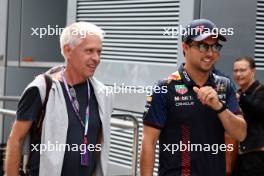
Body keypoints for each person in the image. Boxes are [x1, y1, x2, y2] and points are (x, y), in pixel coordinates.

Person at [5, 22, 114, 176]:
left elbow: (98, 143)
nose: (96, 58)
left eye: (99, 52)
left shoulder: (102, 94)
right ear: (68, 50)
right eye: (89, 51)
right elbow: (16, 139)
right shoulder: (42, 89)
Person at [140, 19, 247, 176]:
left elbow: (241, 134)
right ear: (185, 47)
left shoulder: (224, 85)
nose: (210, 53)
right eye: (203, 46)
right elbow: (148, 143)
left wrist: (219, 107)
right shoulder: (165, 87)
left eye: (215, 46)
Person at [232, 56, 264, 176]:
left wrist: (241, 99)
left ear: (253, 71)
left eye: (242, 70)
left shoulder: (261, 92)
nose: (238, 74)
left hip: (256, 156)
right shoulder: (238, 94)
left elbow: (258, 110)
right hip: (237, 154)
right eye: (235, 71)